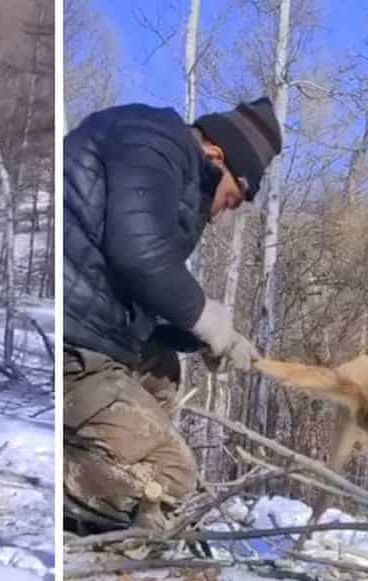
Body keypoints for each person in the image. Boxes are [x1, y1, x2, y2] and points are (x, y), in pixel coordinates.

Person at [63, 98, 282, 533]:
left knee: (163, 368)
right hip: (71, 350)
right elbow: (140, 256)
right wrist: (211, 321)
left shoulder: (161, 159)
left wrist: (195, 336)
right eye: (233, 199)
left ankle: (101, 488)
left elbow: (128, 284)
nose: (222, 213)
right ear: (218, 157)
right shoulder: (154, 139)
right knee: (172, 480)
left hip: (91, 339)